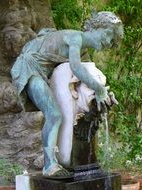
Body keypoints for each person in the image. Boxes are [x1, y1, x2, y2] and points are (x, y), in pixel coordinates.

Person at [11, 11, 124, 176]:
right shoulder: (76, 38)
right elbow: (76, 68)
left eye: (112, 40)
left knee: (54, 115)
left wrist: (101, 92)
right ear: (96, 27)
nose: (108, 42)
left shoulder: (81, 49)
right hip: (29, 68)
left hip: (38, 72)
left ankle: (52, 163)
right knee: (54, 115)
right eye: (108, 34)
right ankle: (49, 166)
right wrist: (99, 89)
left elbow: (83, 74)